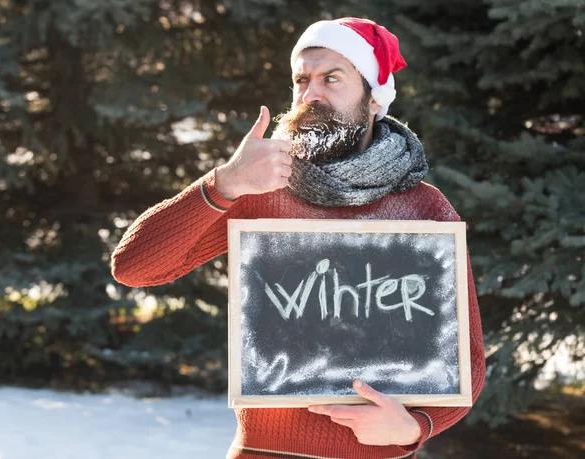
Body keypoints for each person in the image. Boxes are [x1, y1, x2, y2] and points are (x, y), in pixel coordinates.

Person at [111, 17, 486, 459]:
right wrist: (223, 184)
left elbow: (470, 361)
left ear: (372, 99)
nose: (311, 94)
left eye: (332, 78)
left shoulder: (423, 208)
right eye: (301, 80)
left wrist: (415, 425)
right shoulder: (258, 188)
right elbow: (133, 267)